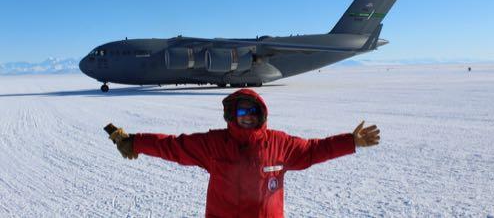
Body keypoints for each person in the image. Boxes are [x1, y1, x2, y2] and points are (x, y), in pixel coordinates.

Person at [109, 88, 380, 218]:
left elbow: (313, 150)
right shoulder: (214, 143)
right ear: (232, 115)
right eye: (242, 111)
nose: (247, 116)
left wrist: (350, 142)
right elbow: (173, 146)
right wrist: (135, 142)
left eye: (252, 111)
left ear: (261, 114)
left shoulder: (279, 144)